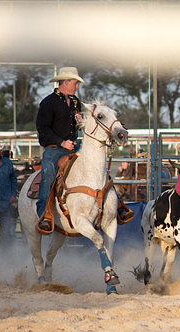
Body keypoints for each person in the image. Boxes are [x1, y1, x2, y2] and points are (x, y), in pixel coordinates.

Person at [35, 66, 132, 233]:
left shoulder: (75, 102)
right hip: (54, 149)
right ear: (65, 82)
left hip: (74, 146)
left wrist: (80, 121)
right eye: (75, 83)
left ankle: (116, 206)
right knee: (49, 174)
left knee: (97, 166)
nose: (77, 87)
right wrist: (61, 142)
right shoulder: (48, 103)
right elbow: (42, 128)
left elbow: (81, 126)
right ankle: (45, 213)